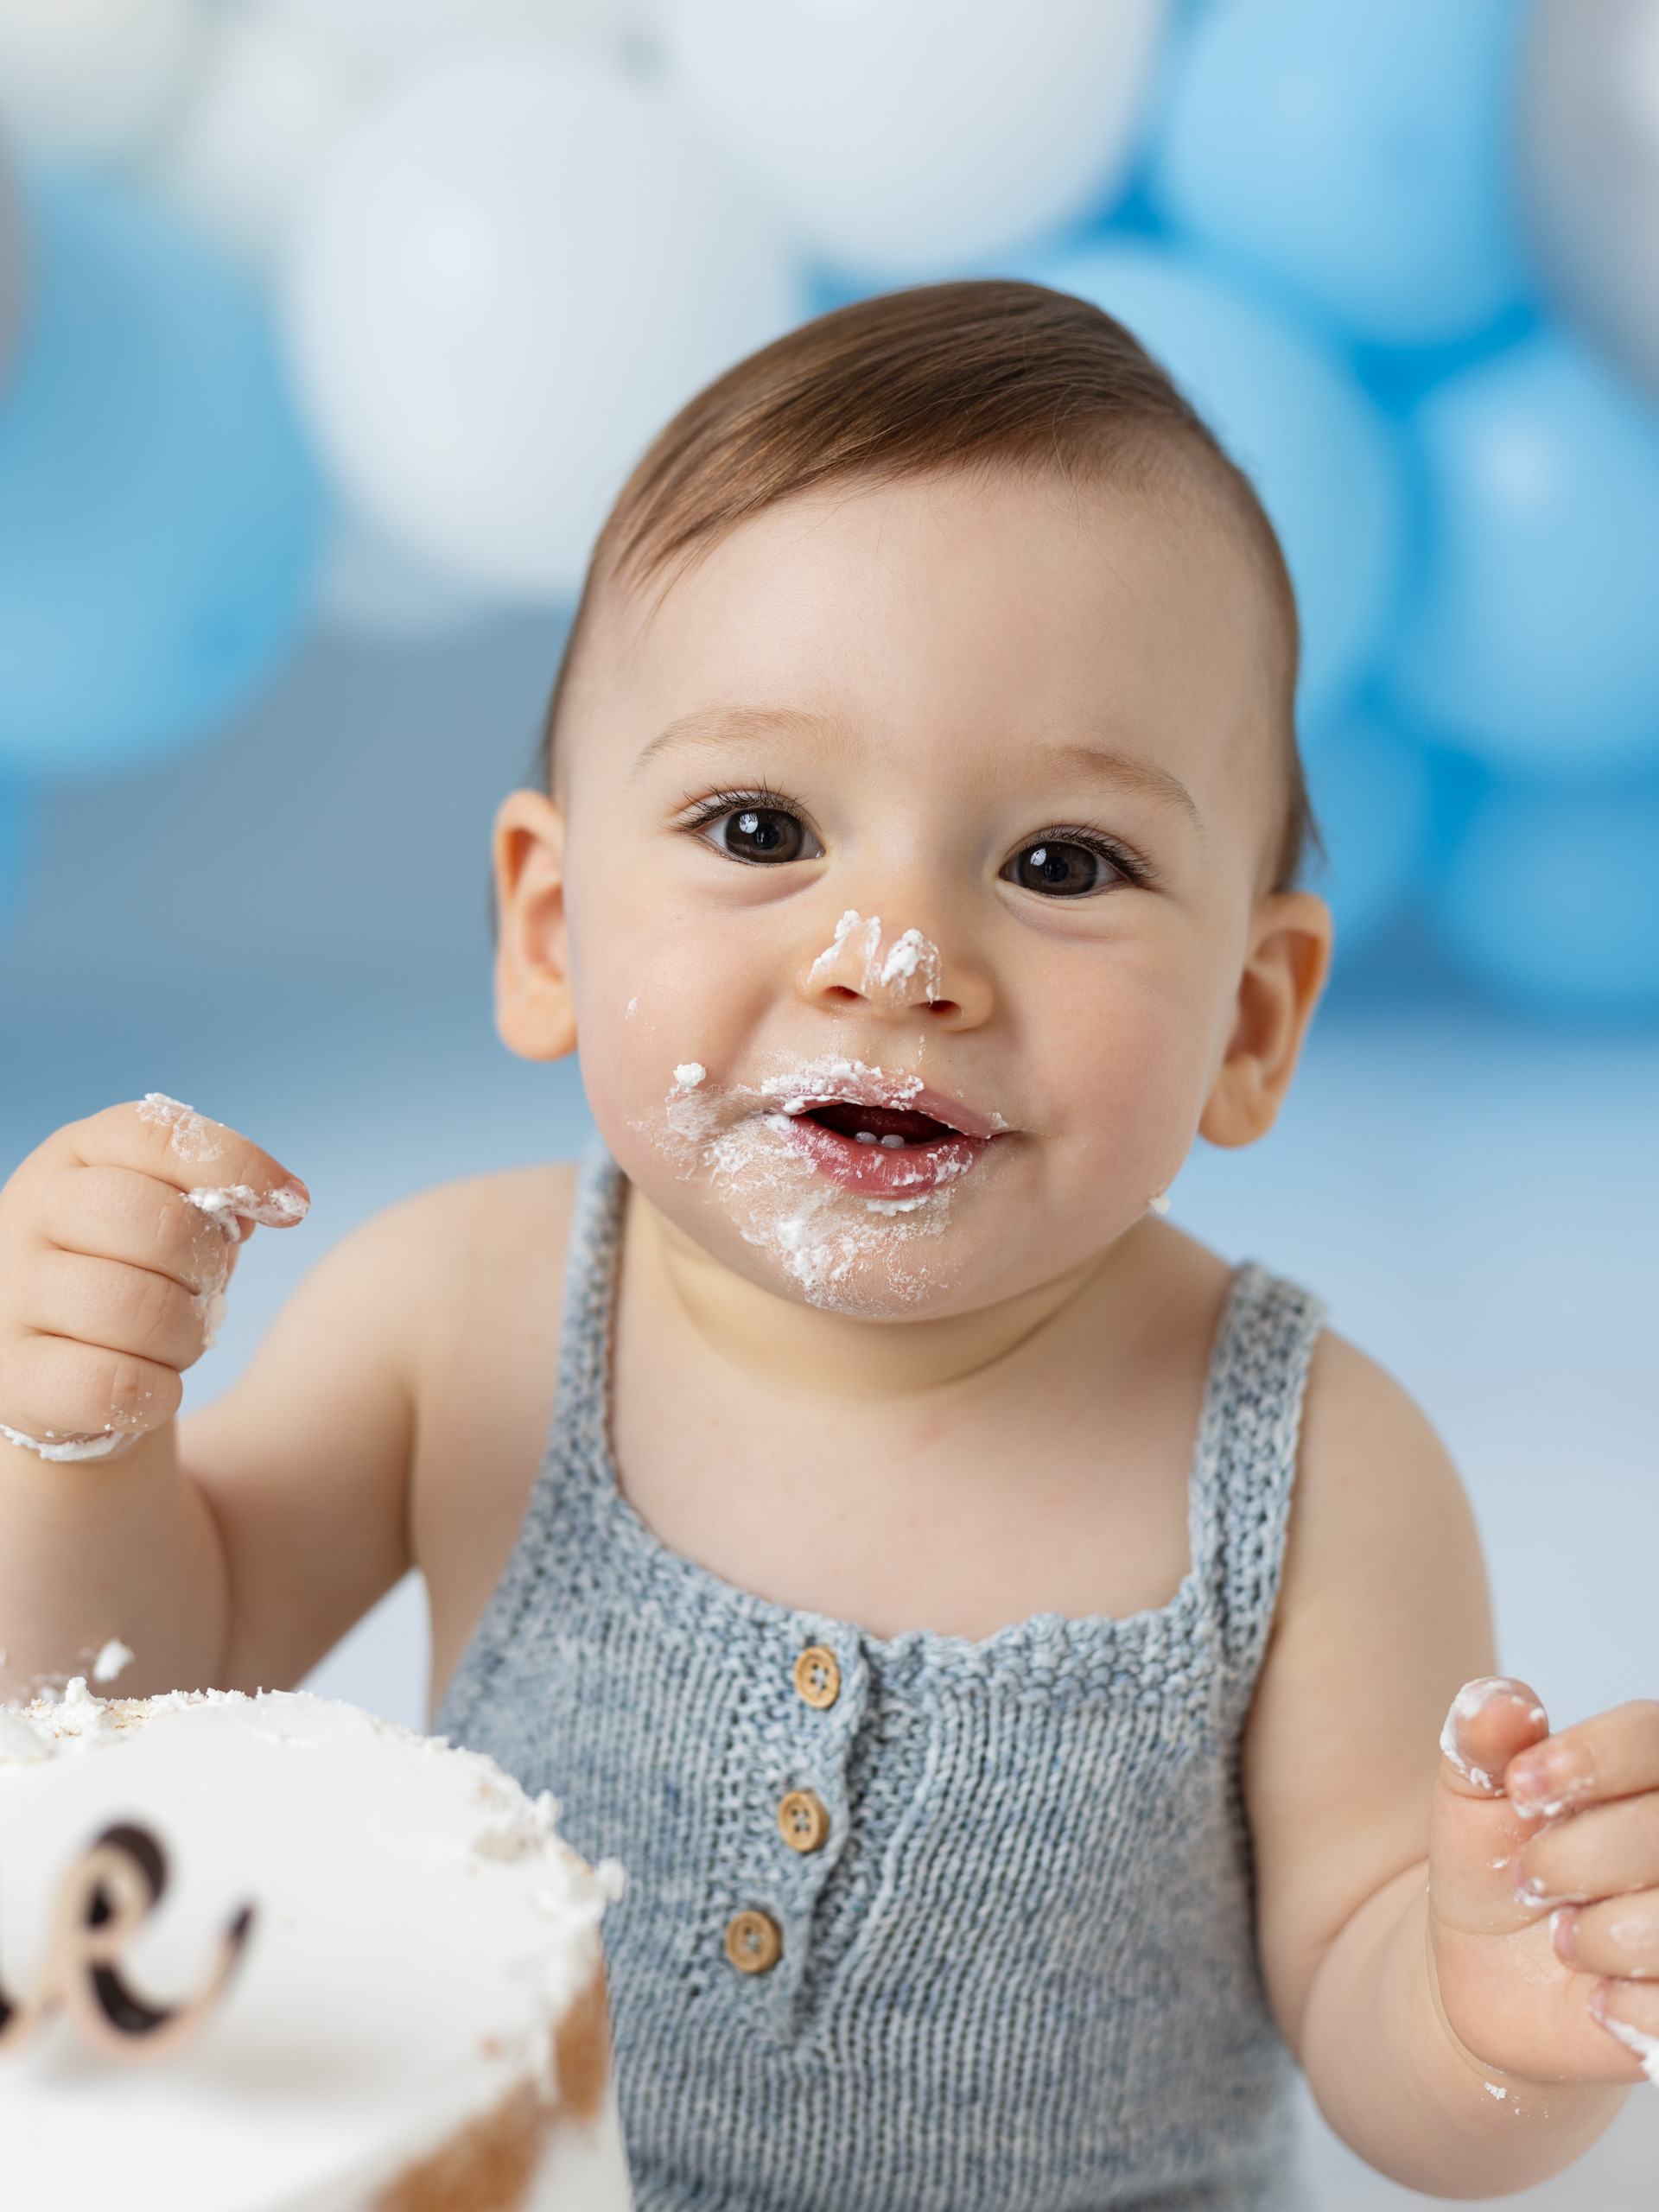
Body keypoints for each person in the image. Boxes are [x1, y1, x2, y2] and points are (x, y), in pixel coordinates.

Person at [1, 282, 1653, 2209]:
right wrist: (75, 1440)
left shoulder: (1309, 1468)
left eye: (1059, 862)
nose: (898, 959)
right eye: (763, 822)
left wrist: (1493, 2009)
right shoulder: (461, 1322)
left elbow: (1392, 2035)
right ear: (549, 926)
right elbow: (107, 1710)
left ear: (1253, 1020)